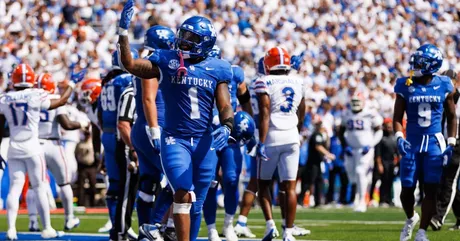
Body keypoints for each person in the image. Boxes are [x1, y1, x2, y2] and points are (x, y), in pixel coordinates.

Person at [117, 2, 234, 240]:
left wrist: (227, 125)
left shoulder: (218, 67)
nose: (184, 41)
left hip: (204, 141)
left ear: (206, 42)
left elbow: (224, 104)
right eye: (183, 35)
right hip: (175, 139)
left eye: (191, 37)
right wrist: (123, 33)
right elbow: (129, 64)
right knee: (182, 192)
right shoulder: (168, 60)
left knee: (197, 203)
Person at [1, 63, 75, 240]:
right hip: (32, 146)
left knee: (15, 188)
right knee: (40, 187)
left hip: (14, 145)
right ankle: (47, 228)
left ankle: (11, 229)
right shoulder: (37, 94)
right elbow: (61, 101)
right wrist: (71, 86)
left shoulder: (5, 98)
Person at [393, 44, 457, 241]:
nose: (415, 63)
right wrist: (399, 136)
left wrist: (451, 142)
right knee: (407, 189)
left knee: (431, 189)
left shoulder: (445, 84)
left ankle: (421, 233)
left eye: (420, 61)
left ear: (431, 65)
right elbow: (397, 117)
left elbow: (452, 116)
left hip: (434, 143)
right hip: (411, 141)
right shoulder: (405, 84)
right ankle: (411, 217)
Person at [255, 47, 307, 241]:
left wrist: (260, 141)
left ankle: (270, 225)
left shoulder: (264, 81)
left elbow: (265, 113)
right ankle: (288, 231)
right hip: (292, 136)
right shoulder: (299, 81)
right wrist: (298, 130)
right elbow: (302, 111)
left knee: (263, 184)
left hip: (271, 137)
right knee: (290, 187)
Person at [26, 73, 88, 232]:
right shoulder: (53, 99)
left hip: (34, 144)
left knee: (34, 186)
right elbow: (66, 124)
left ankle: (33, 221)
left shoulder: (28, 99)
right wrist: (81, 123)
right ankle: (69, 219)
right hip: (53, 144)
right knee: (64, 183)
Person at [203, 45, 253, 241]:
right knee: (209, 183)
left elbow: (244, 97)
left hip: (229, 131)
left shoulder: (234, 73)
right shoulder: (197, 72)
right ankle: (211, 229)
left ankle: (228, 224)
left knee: (232, 180)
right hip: (207, 133)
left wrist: (250, 124)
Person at [131, 25, 176, 241]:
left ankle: (144, 231)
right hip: (154, 126)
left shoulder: (142, 58)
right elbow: (149, 98)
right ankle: (157, 225)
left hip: (142, 127)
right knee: (175, 179)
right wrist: (155, 129)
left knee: (147, 184)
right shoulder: (152, 61)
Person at [98, 49, 138, 241]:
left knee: (115, 184)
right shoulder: (126, 81)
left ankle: (116, 225)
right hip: (120, 134)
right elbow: (127, 110)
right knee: (126, 184)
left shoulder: (106, 83)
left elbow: (98, 116)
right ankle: (121, 227)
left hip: (107, 134)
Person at [340, 92, 383, 212]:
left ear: (363, 103)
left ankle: (362, 201)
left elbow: (379, 131)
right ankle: (357, 198)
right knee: (352, 176)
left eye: (358, 102)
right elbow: (340, 131)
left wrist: (371, 145)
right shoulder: (346, 114)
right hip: (351, 150)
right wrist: (345, 145)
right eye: (353, 102)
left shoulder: (370, 114)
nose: (355, 104)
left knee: (360, 172)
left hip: (365, 149)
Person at [430, 69, 460, 230]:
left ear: (456, 82)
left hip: (457, 143)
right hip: (443, 143)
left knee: (449, 180)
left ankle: (438, 217)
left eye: (449, 81)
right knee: (446, 180)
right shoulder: (440, 99)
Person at [374, 118, 399, 207]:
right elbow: (378, 154)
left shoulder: (394, 137)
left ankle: (389, 199)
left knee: (390, 181)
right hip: (384, 162)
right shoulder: (381, 138)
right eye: (387, 125)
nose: (389, 127)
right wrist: (379, 164)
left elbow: (397, 152)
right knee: (384, 181)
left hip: (392, 163)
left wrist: (397, 161)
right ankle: (383, 199)